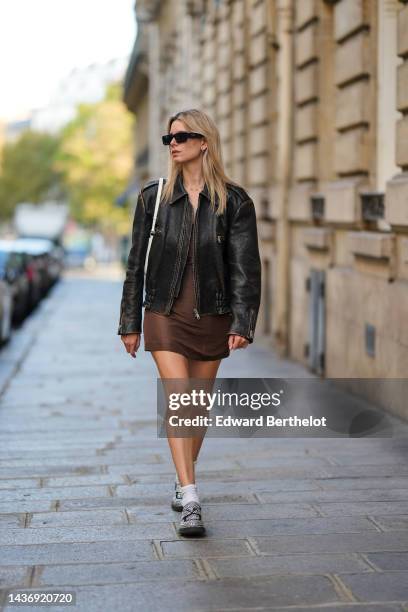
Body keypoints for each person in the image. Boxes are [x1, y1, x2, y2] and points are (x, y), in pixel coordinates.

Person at [118, 108, 261, 537]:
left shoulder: (234, 201)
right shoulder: (153, 197)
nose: (174, 144)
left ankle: (182, 479)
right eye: (169, 138)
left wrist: (243, 320)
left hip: (213, 317)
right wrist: (130, 321)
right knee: (179, 400)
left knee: (196, 409)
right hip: (163, 312)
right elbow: (134, 266)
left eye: (182, 136)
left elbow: (245, 268)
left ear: (205, 142)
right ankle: (192, 495)